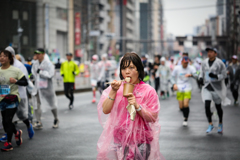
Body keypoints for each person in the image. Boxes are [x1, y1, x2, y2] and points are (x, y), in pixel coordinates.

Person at [97, 52, 165, 160]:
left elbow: (153, 117)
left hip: (141, 140)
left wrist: (137, 106)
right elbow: (105, 110)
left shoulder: (148, 91)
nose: (127, 72)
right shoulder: (116, 88)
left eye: (131, 67)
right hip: (119, 140)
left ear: (139, 69)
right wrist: (113, 91)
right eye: (124, 68)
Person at [0, 47, 35, 142]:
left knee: (22, 115)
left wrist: (16, 81)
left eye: (6, 56)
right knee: (6, 119)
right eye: (2, 56)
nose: (3, 58)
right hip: (5, 95)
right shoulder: (2, 66)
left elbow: (25, 81)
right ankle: (10, 134)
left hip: (19, 94)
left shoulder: (19, 66)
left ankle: (28, 125)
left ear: (11, 56)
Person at [198, 47, 230, 133]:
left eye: (211, 52)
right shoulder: (204, 62)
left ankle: (220, 123)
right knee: (207, 105)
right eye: (208, 51)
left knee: (218, 107)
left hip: (217, 88)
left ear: (215, 53)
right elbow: (201, 72)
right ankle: (210, 124)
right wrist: (200, 78)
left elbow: (224, 75)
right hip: (207, 87)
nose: (209, 53)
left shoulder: (220, 63)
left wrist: (216, 76)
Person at [31, 48, 59, 129]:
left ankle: (56, 118)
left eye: (39, 54)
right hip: (37, 87)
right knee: (37, 104)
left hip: (47, 88)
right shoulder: (35, 64)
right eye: (36, 54)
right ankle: (38, 121)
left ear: (43, 54)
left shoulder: (49, 64)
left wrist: (41, 72)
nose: (37, 55)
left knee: (52, 104)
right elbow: (33, 73)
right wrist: (32, 77)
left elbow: (50, 75)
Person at [171, 57, 197, 126]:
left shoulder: (191, 68)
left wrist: (191, 75)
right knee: (181, 106)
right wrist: (174, 84)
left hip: (187, 88)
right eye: (185, 63)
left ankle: (185, 118)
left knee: (186, 104)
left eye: (187, 63)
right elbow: (172, 77)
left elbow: (196, 75)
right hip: (179, 88)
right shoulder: (177, 68)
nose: (186, 64)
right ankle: (184, 113)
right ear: (182, 62)